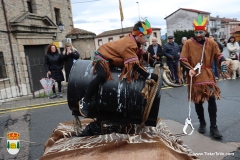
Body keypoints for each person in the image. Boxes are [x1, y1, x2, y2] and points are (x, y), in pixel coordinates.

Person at [79, 19, 162, 117]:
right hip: (103, 56)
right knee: (101, 76)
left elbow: (141, 52)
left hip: (113, 58)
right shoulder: (129, 44)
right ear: (140, 36)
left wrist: (154, 63)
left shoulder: (134, 40)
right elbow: (134, 64)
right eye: (147, 37)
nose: (147, 40)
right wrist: (148, 76)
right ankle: (85, 100)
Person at [180, 14, 229, 139]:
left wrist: (223, 61)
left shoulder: (211, 43)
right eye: (196, 32)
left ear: (205, 31)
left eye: (201, 32)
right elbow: (183, 59)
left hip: (208, 75)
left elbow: (218, 55)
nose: (198, 34)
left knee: (211, 100)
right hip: (195, 75)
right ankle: (202, 123)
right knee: (198, 101)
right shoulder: (188, 44)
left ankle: (214, 127)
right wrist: (189, 69)